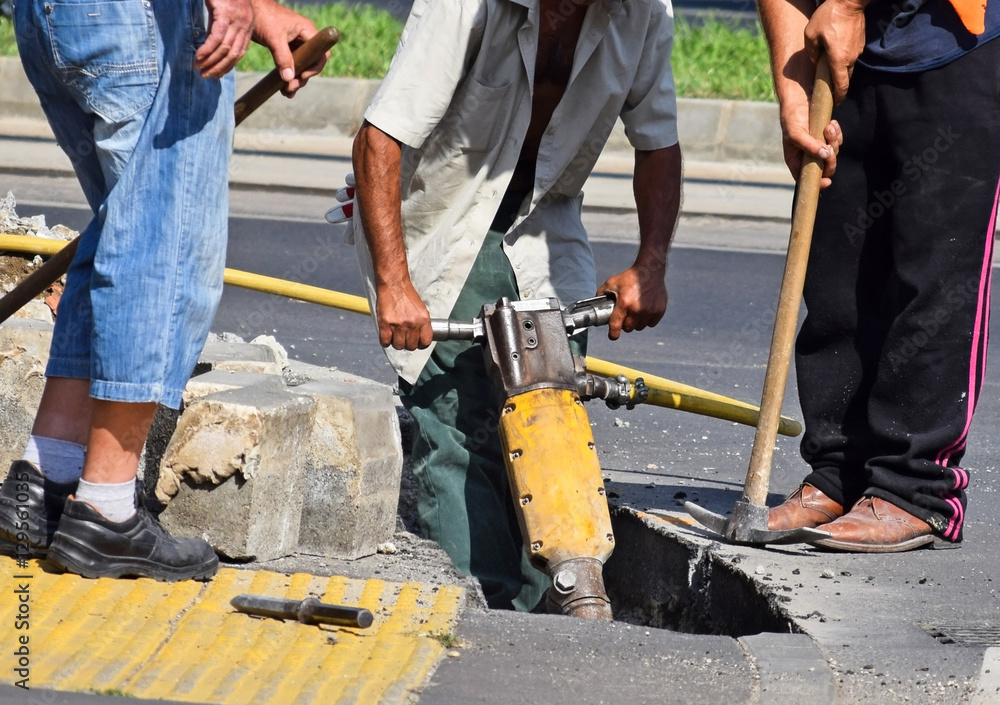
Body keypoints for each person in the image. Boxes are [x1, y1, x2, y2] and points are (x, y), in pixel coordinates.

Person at [349, 0, 682, 610]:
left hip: (545, 228)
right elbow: (380, 136)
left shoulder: (642, 13)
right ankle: (479, 611)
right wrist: (395, 283)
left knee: (547, 417)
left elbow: (658, 141)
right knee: (451, 432)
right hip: (447, 222)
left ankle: (551, 611)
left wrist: (651, 263)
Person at [0, 0, 327, 580]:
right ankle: (106, 508)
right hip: (141, 19)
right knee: (162, 244)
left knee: (121, 228)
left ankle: (46, 477)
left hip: (55, 16)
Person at [761, 0, 1000, 550]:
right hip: (849, 58)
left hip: (959, 43)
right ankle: (838, 472)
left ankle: (916, 487)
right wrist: (793, 95)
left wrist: (846, 3)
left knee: (935, 278)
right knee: (837, 276)